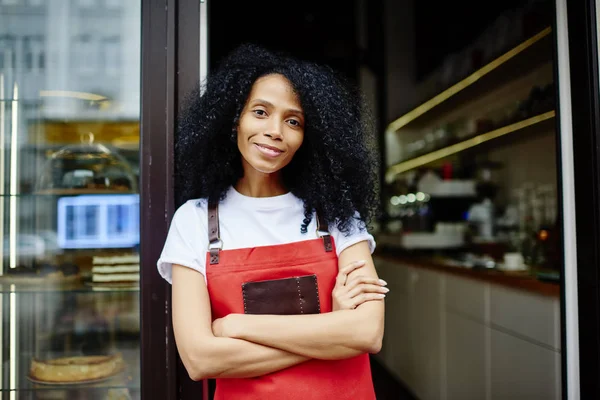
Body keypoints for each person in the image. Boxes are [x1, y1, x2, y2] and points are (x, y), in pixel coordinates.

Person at [157, 43, 387, 399]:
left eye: (293, 121)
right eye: (261, 112)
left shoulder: (338, 216)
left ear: (307, 138)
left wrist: (236, 327)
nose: (275, 130)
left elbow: (367, 333)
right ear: (235, 119)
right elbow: (200, 358)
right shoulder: (195, 221)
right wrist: (330, 332)